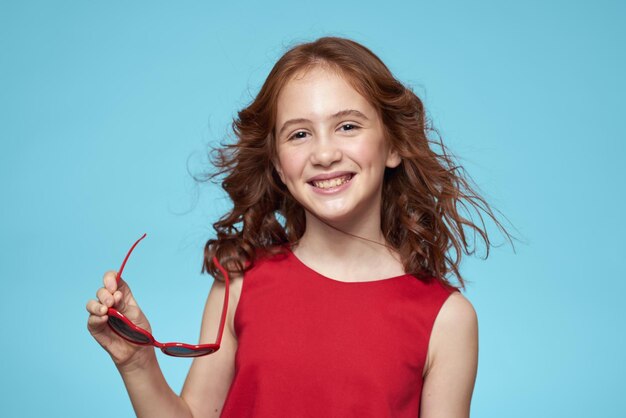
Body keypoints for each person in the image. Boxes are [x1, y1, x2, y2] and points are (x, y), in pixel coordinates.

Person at [86, 36, 514, 417]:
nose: (324, 154)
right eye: (299, 135)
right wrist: (136, 362)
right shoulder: (238, 284)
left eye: (347, 126)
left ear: (395, 145)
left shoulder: (448, 319)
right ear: (276, 162)